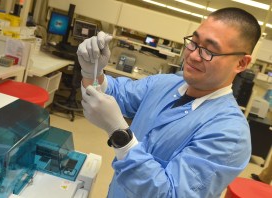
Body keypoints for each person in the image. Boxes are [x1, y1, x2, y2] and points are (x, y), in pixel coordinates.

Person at [77, 7, 261, 198]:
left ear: (241, 63)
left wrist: (120, 135)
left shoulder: (230, 133)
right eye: (193, 42)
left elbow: (173, 194)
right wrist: (93, 71)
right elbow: (114, 93)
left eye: (209, 51)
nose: (193, 55)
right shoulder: (166, 83)